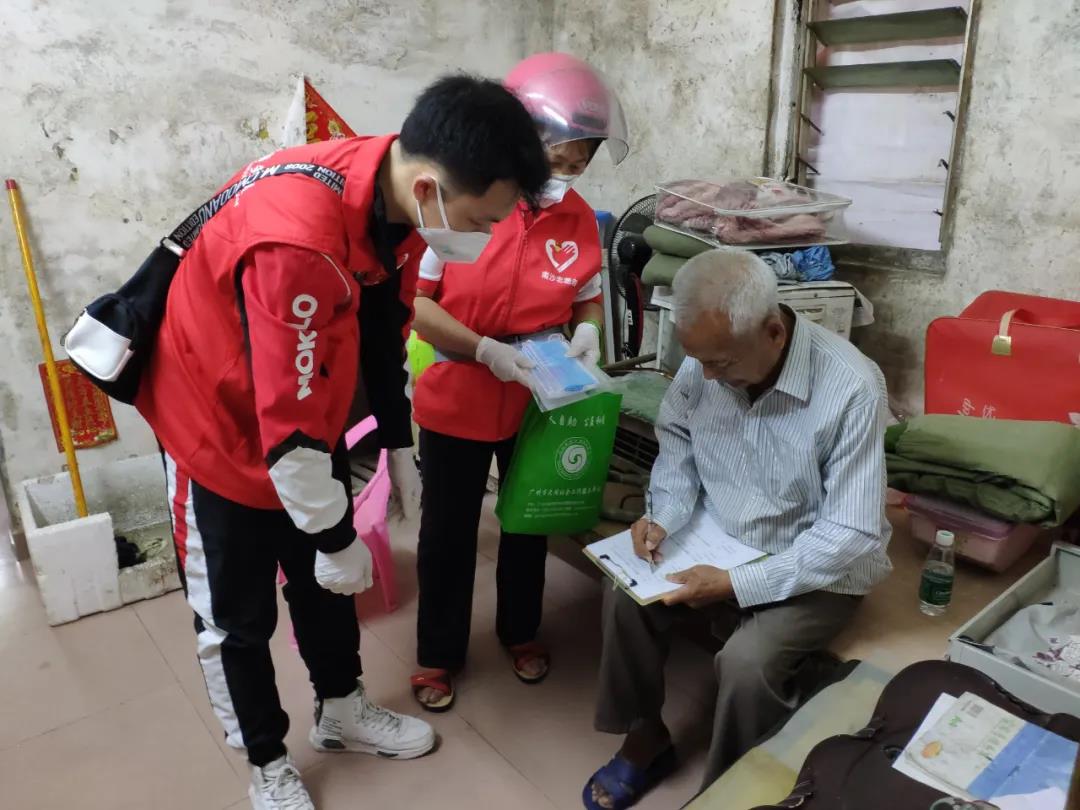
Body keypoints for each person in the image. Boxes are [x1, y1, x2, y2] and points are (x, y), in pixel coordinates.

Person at [136, 75, 550, 810]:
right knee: (237, 616)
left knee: (325, 584)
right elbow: (284, 418)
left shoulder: (389, 195)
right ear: (430, 188)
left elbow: (379, 333)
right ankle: (266, 761)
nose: (486, 237)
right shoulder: (298, 237)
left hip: (302, 413)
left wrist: (397, 444)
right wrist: (332, 533)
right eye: (483, 220)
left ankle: (341, 709)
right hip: (215, 432)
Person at [583, 248, 892, 810]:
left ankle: (730, 791)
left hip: (815, 562)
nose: (705, 375)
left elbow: (850, 533)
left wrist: (735, 583)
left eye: (720, 363)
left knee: (748, 664)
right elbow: (678, 441)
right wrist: (664, 515)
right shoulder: (707, 360)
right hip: (721, 530)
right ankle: (645, 737)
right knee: (625, 591)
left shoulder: (851, 387)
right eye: (698, 360)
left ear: (773, 331)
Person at [407, 53, 629, 711]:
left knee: (530, 521)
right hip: (458, 388)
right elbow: (416, 304)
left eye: (581, 160)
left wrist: (587, 333)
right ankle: (438, 655)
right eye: (560, 157)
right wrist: (482, 349)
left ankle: (520, 631)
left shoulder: (578, 218)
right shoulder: (465, 199)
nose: (568, 171)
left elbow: (586, 295)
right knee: (447, 533)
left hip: (540, 393)